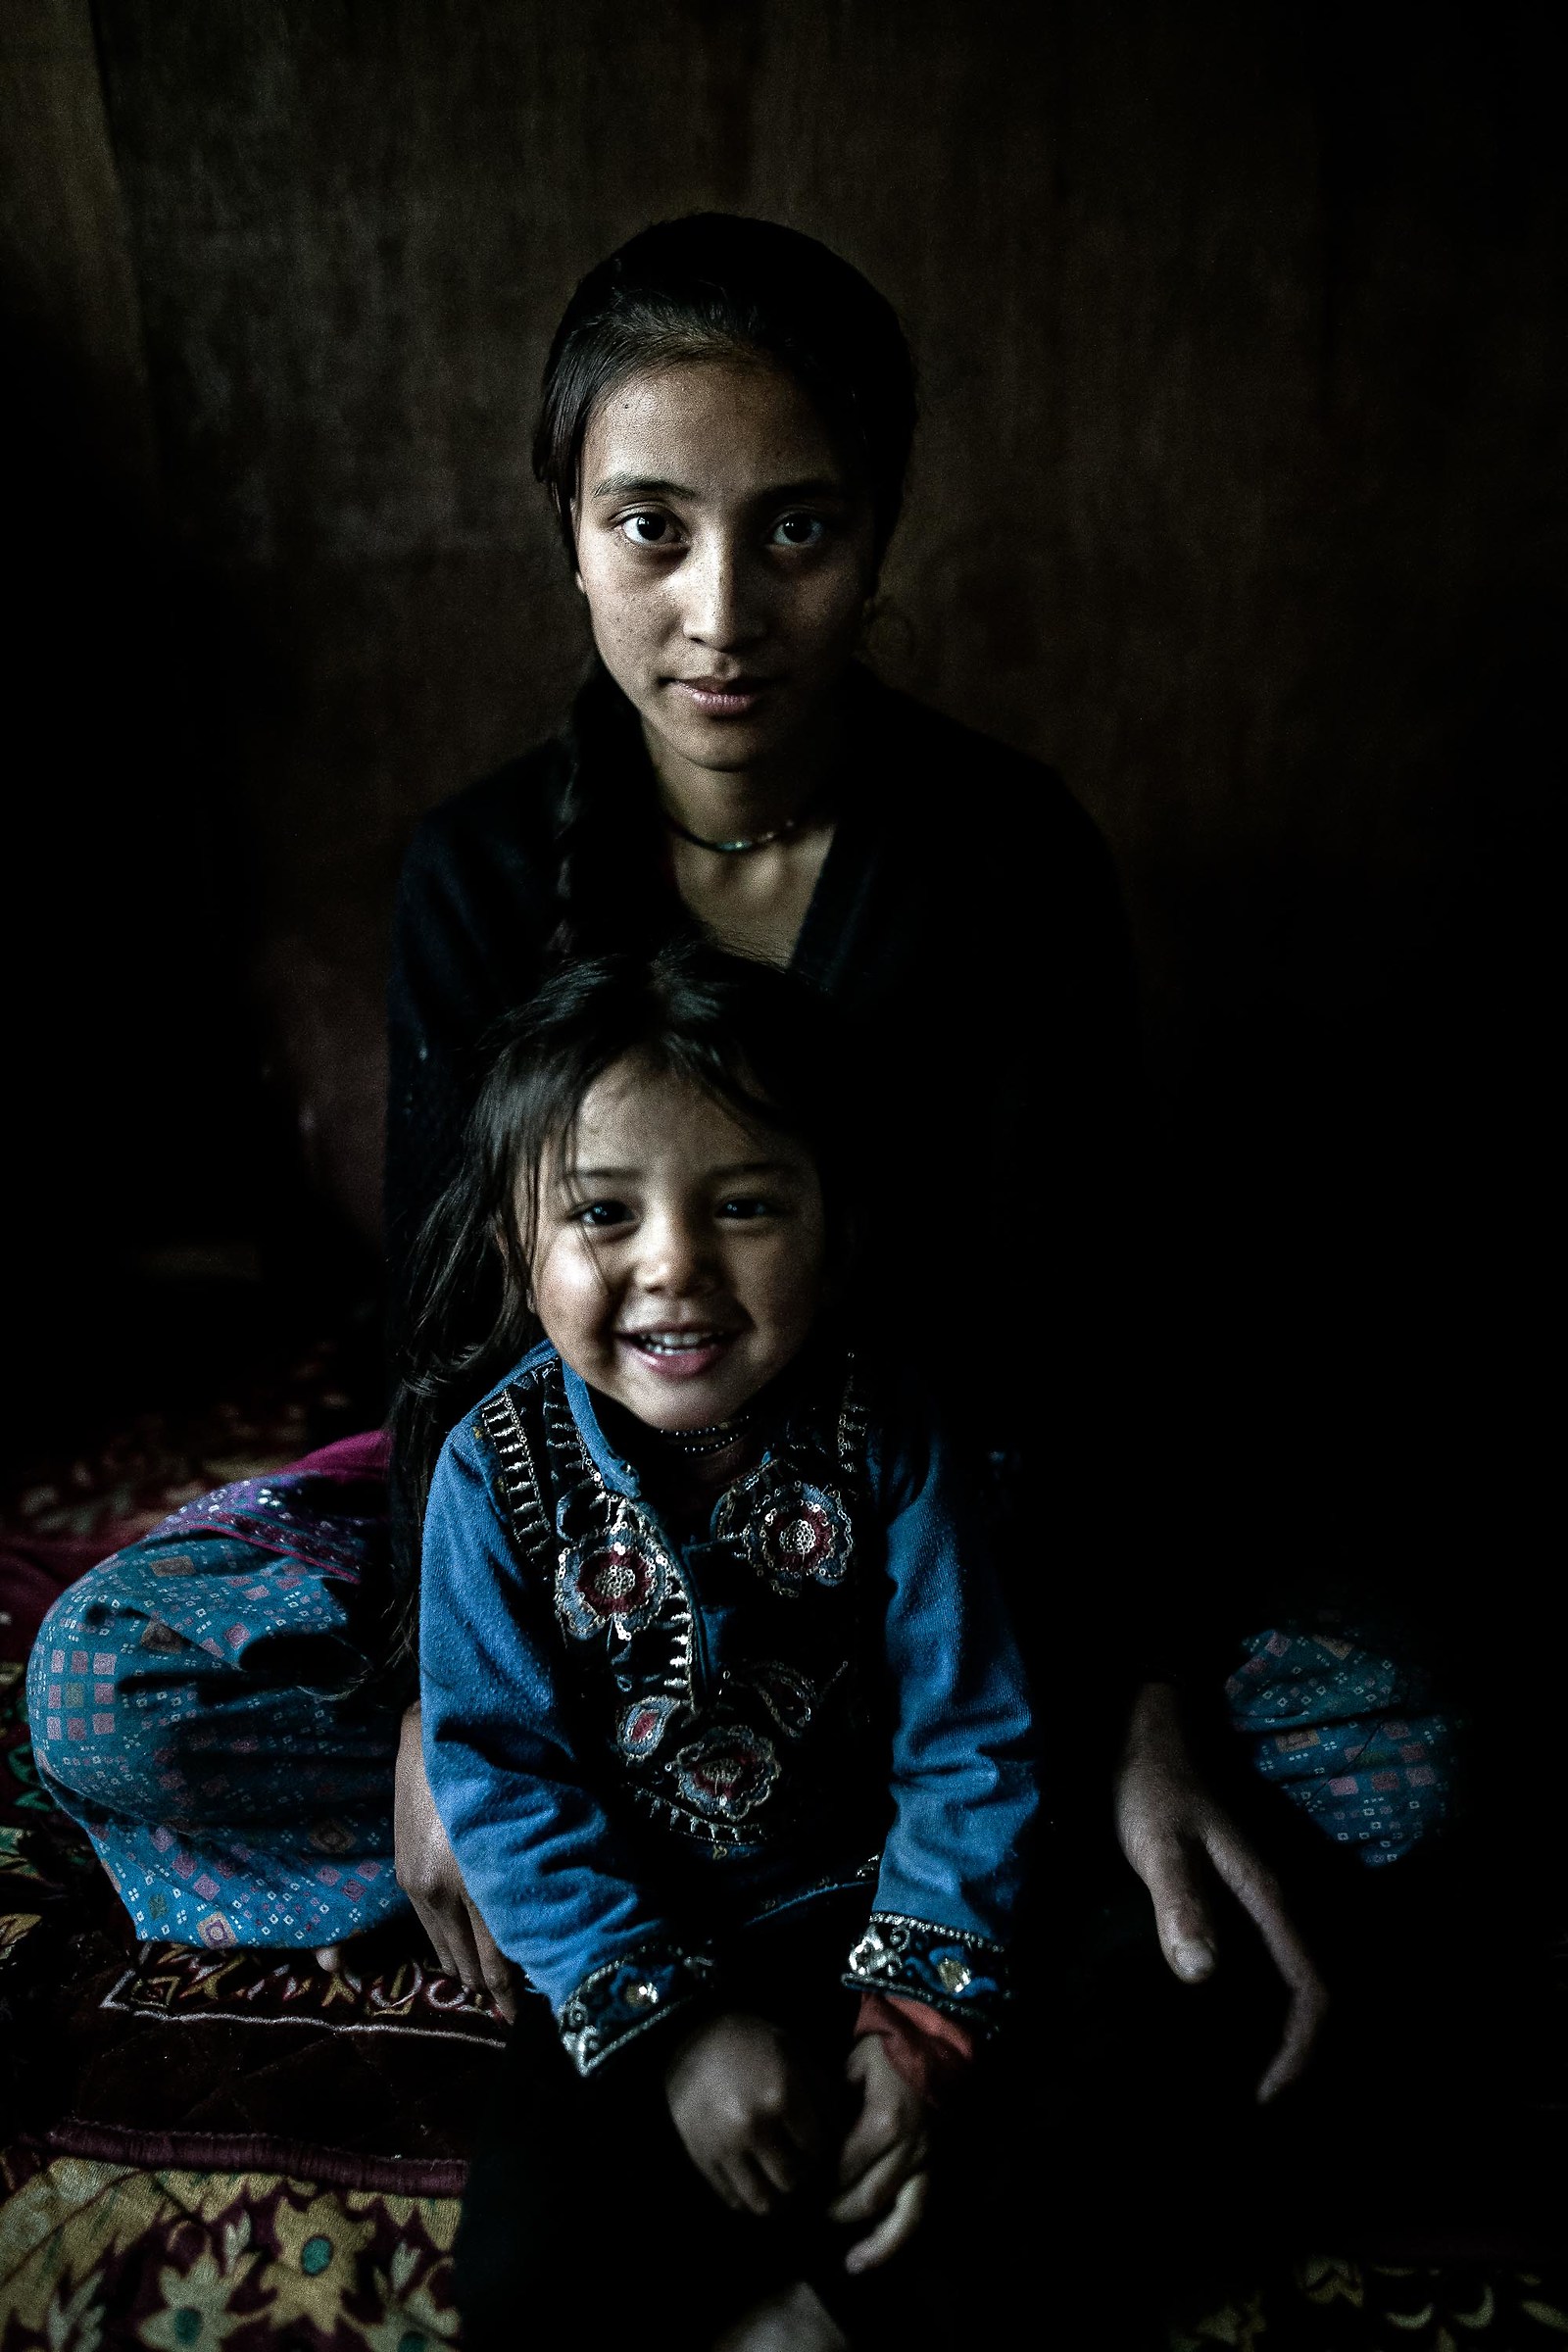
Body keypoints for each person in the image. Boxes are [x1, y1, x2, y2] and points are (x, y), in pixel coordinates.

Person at [27, 212, 1334, 2110]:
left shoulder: (1004, 856)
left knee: (1386, 1747)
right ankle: (687, 1839)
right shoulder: (480, 874)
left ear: (878, 525)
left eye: (793, 527)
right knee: (103, 1689)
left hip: (934, 1559)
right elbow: (440, 1322)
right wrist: (418, 1699)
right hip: (559, 1568)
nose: (719, 611)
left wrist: (1132, 1694)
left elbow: (1093, 1310)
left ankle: (817, 1836)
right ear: (566, 525)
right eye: (650, 526)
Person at [408, 941, 1036, 2350]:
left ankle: (819, 2300)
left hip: (867, 1907)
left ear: (837, 1229)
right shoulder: (486, 1478)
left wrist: (911, 2031)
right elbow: (500, 1777)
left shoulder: (894, 1437)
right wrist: (681, 2038)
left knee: (983, 2196)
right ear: (518, 1244)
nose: (674, 1267)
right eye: (603, 1215)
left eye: (745, 1204)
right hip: (638, 1936)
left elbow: (973, 1735)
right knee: (524, 2276)